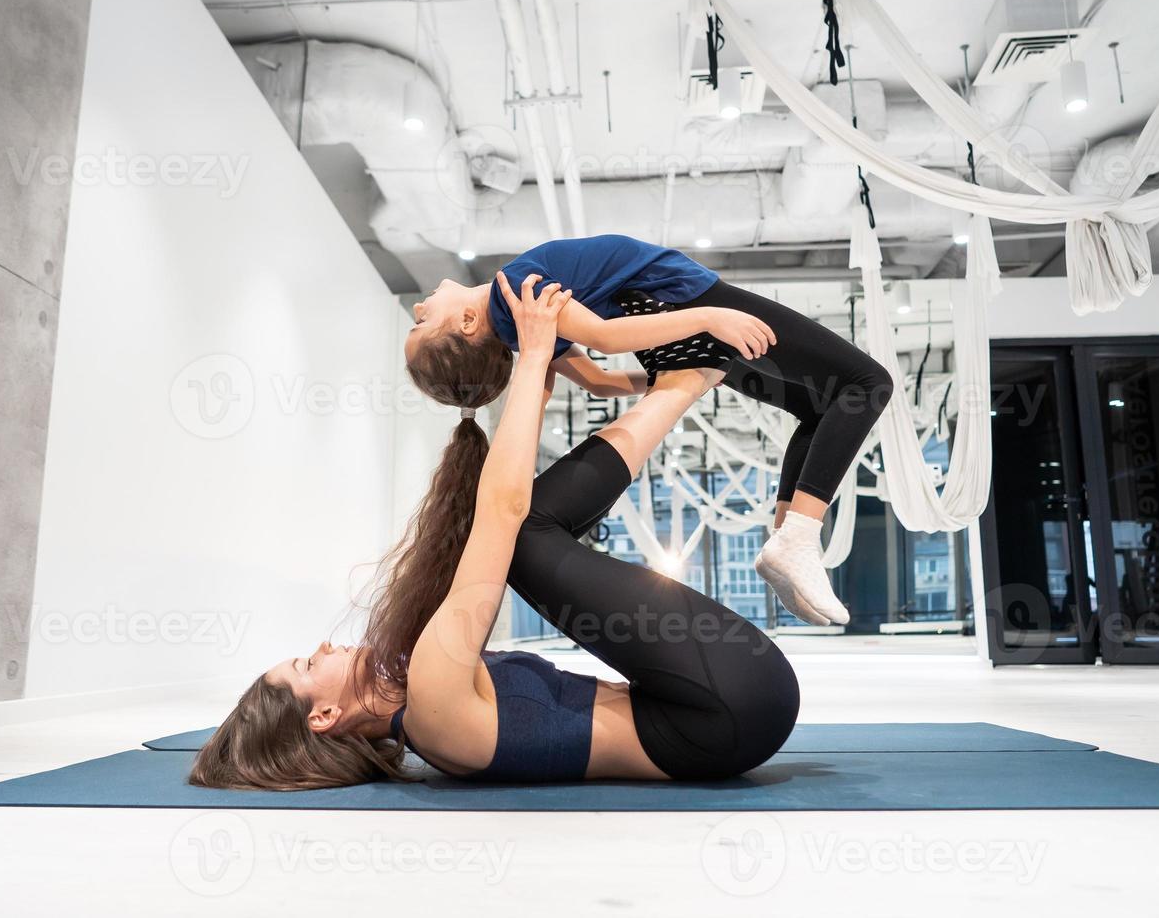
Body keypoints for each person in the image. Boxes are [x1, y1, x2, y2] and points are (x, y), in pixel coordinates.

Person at [189, 274, 798, 790]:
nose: (321, 648)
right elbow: (502, 516)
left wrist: (540, 377)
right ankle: (686, 382)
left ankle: (686, 382)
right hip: (730, 707)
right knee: (524, 541)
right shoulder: (433, 702)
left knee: (528, 540)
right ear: (322, 716)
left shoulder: (425, 712)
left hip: (724, 708)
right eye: (304, 664)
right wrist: (532, 357)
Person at [405, 234, 893, 625]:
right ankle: (799, 540)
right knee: (866, 383)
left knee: (813, 407)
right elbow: (603, 338)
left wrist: (676, 377)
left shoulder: (523, 326)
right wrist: (709, 316)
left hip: (668, 324)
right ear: (468, 322)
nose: (416, 309)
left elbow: (599, 383)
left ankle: (787, 540)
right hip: (683, 300)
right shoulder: (515, 292)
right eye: (420, 326)